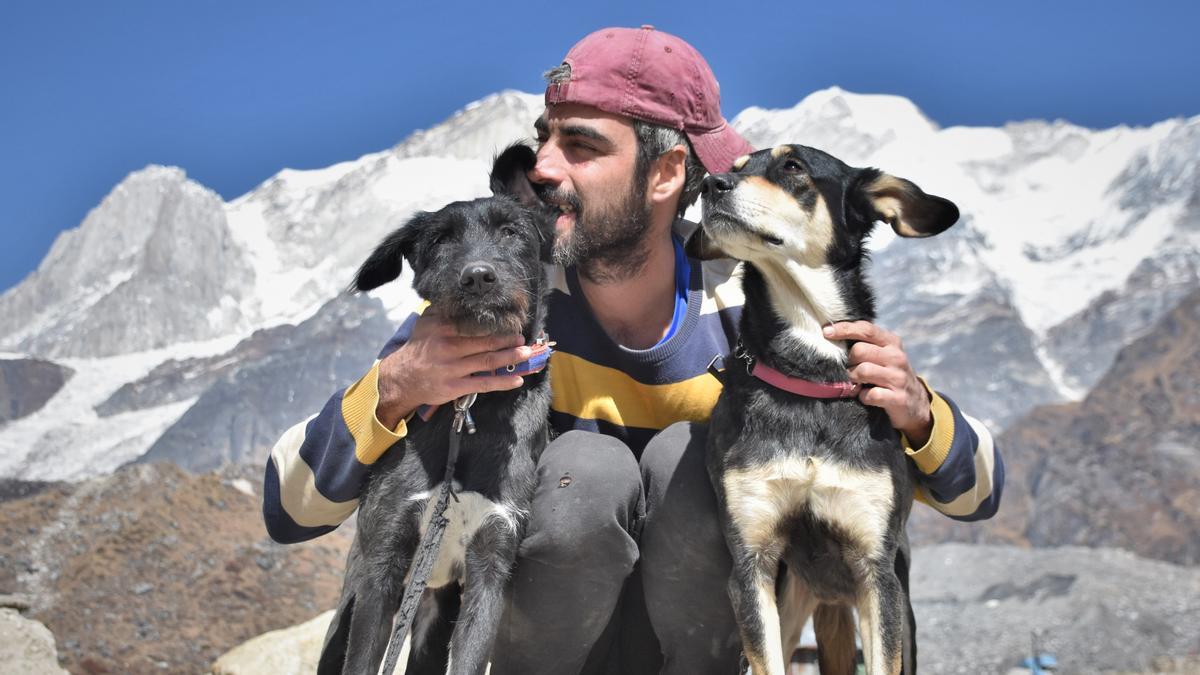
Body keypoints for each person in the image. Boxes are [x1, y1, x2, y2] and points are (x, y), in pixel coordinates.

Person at [263, 25, 1003, 675]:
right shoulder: (502, 300)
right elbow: (287, 506)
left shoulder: (754, 305)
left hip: (703, 644)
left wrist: (916, 412)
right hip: (537, 643)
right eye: (546, 137)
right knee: (588, 473)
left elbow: (976, 491)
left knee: (686, 453)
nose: (544, 167)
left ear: (666, 174)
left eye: (581, 145)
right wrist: (393, 389)